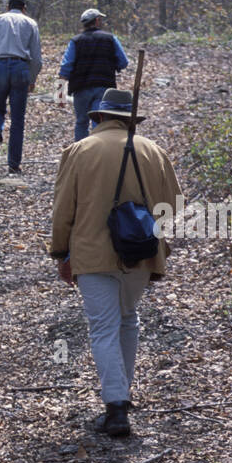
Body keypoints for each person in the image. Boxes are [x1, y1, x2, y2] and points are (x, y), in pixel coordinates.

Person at [48, 88, 182, 437]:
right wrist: (149, 236)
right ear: (130, 120)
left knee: (104, 328)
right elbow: (175, 208)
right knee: (128, 320)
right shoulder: (155, 152)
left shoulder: (78, 152)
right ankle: (121, 394)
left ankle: (116, 404)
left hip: (92, 255)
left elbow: (64, 209)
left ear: (99, 118)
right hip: (141, 252)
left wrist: (61, 252)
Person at [0, 0, 42, 174]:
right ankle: (14, 164)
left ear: (7, 7)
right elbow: (36, 58)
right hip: (20, 67)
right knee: (18, 119)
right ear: (24, 8)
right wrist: (32, 78)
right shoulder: (31, 24)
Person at [59, 8, 129, 141]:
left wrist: (59, 94)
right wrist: (113, 65)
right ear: (97, 21)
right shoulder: (110, 38)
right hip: (104, 88)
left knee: (81, 123)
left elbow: (65, 67)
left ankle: (81, 155)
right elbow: (124, 62)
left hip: (80, 89)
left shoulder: (75, 41)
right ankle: (99, 151)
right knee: (100, 123)